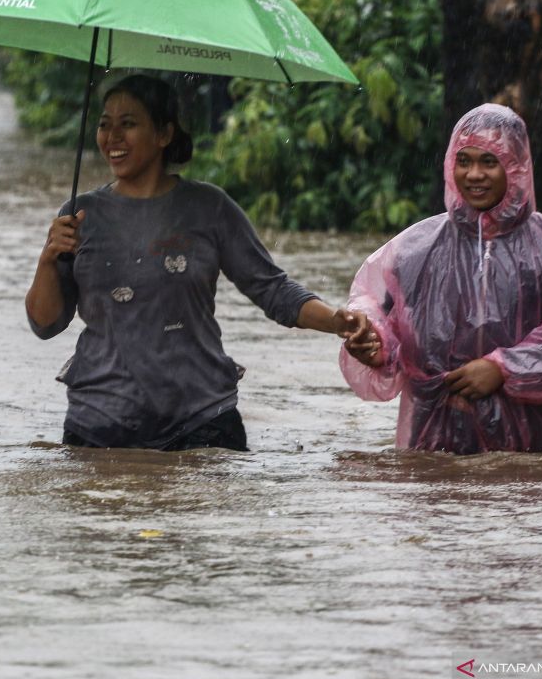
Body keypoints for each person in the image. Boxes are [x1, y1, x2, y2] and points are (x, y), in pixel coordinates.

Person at [25, 74, 368, 451]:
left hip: (201, 421)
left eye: (128, 124)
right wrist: (47, 257)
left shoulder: (210, 208)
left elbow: (272, 289)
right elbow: (45, 324)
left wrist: (336, 320)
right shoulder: (79, 215)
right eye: (105, 125)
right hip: (98, 422)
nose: (112, 138)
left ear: (163, 134)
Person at [339, 104, 542, 454]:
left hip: (531, 440)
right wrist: (371, 345)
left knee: (527, 504)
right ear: (450, 165)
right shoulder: (414, 249)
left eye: (488, 162)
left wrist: (504, 369)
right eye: (464, 161)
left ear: (516, 166)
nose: (474, 174)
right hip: (434, 436)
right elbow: (377, 314)